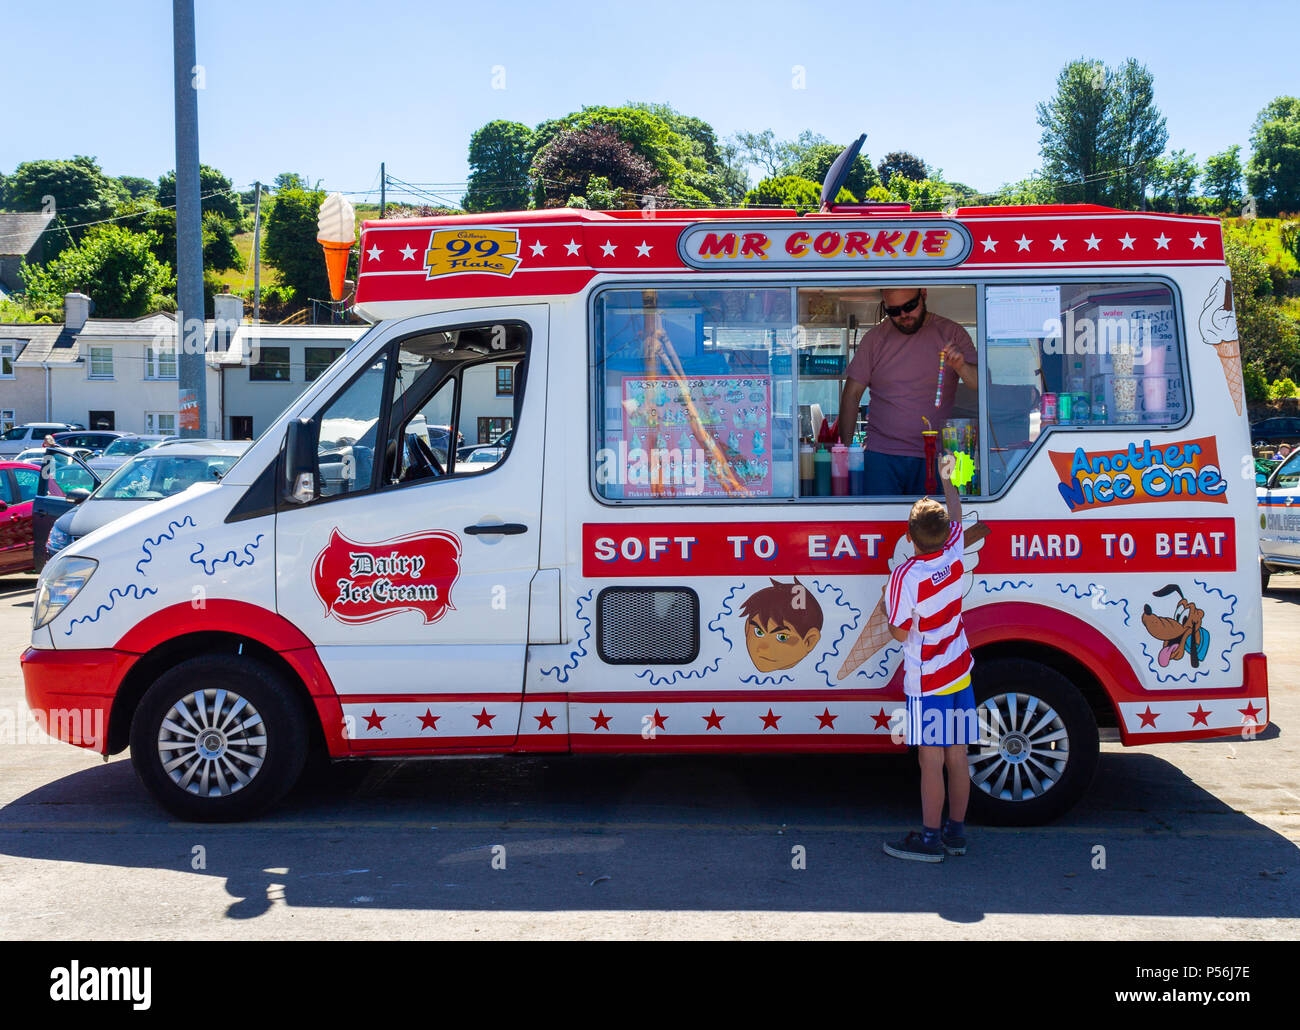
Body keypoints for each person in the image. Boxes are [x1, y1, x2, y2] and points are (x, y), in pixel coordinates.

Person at [881, 456, 978, 862]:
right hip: (960, 671)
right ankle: (956, 833)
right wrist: (948, 481)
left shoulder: (907, 577)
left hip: (928, 682)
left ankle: (929, 839)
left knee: (930, 761)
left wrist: (891, 618)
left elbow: (901, 631)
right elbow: (956, 515)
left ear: (910, 535)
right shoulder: (954, 551)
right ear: (943, 535)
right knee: (958, 756)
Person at [838, 287, 977, 494]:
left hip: (938, 455)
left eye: (910, 306)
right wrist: (847, 451)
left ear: (924, 295)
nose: (903, 315)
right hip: (881, 454)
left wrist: (960, 366)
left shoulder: (952, 333)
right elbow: (851, 394)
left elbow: (979, 385)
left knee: (935, 524)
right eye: (894, 311)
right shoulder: (875, 338)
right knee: (878, 522)